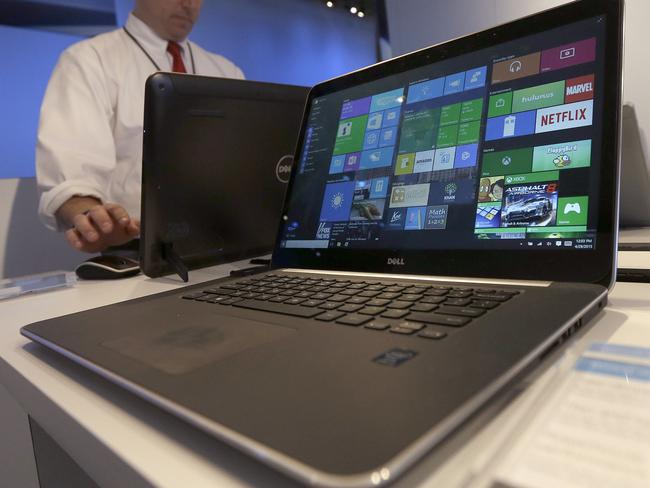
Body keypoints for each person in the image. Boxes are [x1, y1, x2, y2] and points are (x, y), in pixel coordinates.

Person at [36, 0, 244, 254]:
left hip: (227, 245)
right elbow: (72, 170)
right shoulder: (90, 59)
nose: (188, 4)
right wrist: (94, 218)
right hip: (137, 249)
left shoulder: (226, 71)